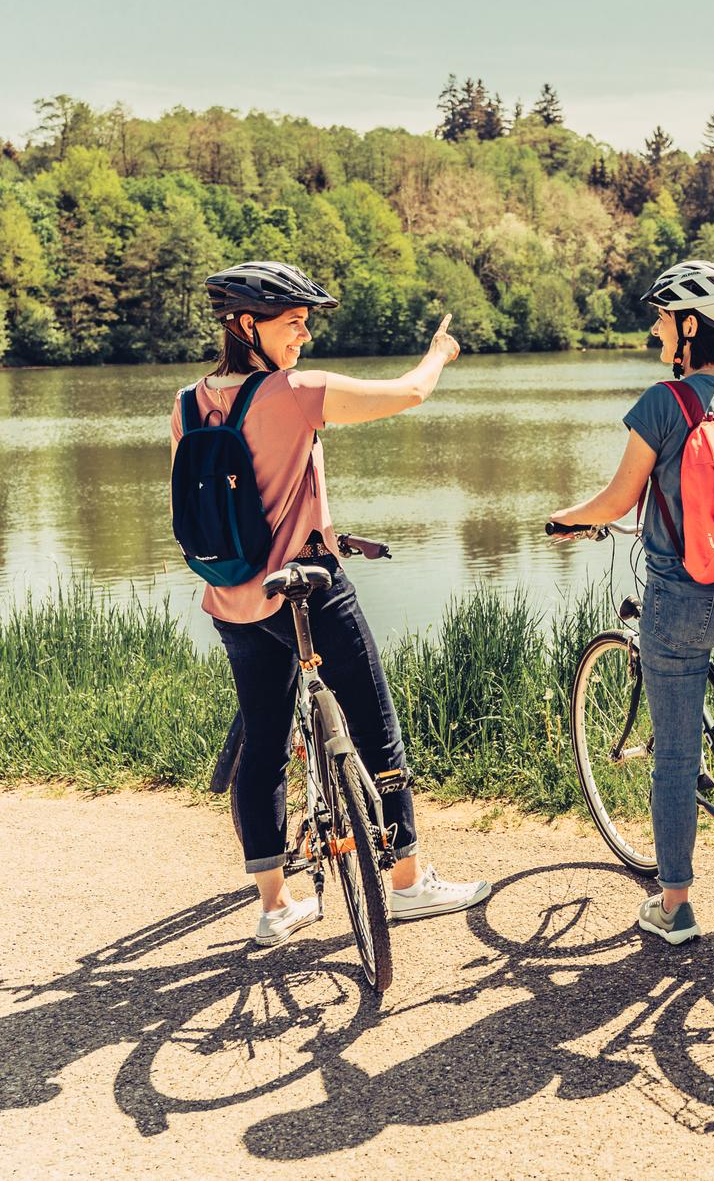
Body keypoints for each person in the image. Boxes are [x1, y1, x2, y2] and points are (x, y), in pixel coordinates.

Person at [171, 261, 491, 948]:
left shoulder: (188, 404)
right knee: (376, 726)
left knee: (264, 746)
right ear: (247, 325)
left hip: (233, 596)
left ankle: (275, 905)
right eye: (293, 322)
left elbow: (226, 499)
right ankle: (406, 880)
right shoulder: (295, 391)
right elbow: (409, 392)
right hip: (307, 590)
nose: (304, 336)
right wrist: (439, 352)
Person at [548, 260, 714, 946]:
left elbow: (619, 500)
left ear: (687, 327)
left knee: (677, 755)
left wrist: (567, 517)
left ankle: (676, 905)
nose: (654, 329)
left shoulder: (663, 403)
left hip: (679, 599)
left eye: (661, 318)